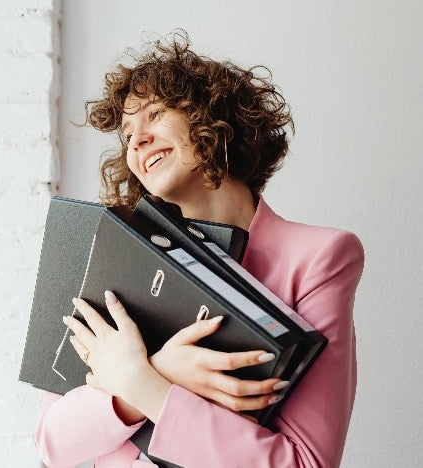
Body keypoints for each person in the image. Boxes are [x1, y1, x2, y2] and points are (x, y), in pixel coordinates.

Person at [35, 32, 364, 468]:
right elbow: (51, 443)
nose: (136, 141)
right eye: (127, 135)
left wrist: (147, 384)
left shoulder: (320, 258)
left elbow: (306, 463)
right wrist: (151, 377)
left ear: (212, 117)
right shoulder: (113, 254)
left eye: (155, 114)